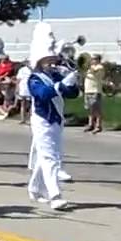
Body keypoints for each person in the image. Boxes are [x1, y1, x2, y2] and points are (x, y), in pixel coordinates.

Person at [25, 22, 80, 210]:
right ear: (39, 61)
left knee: (47, 156)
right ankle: (55, 195)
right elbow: (42, 94)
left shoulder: (56, 75)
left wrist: (73, 80)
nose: (51, 63)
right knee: (50, 158)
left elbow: (73, 95)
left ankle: (34, 188)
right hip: (42, 119)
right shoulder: (34, 78)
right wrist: (62, 85)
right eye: (46, 60)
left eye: (52, 59)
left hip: (56, 119)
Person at [82, 54, 106, 133]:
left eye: (94, 59)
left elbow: (95, 72)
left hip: (95, 90)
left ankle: (98, 126)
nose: (92, 60)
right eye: (92, 59)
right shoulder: (89, 68)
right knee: (90, 109)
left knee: (97, 110)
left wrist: (88, 66)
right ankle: (91, 124)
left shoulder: (100, 67)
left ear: (98, 60)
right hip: (88, 90)